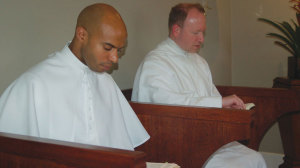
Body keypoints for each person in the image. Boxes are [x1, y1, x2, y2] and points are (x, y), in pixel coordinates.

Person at [132, 3, 266, 168]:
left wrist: (229, 110)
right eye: (196, 33)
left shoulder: (199, 62)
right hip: (177, 148)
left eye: (203, 32)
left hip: (208, 140)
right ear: (176, 30)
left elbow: (213, 99)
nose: (201, 39)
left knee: (254, 158)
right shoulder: (155, 64)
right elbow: (165, 108)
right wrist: (219, 103)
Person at [0, 3, 149, 151]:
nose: (115, 58)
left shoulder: (106, 81)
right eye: (108, 48)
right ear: (82, 35)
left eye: (119, 50)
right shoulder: (33, 84)